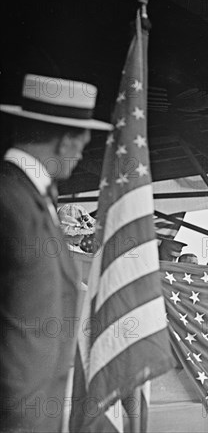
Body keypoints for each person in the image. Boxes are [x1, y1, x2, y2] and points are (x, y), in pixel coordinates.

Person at [0, 74, 112, 431]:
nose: (81, 154)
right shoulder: (8, 200)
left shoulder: (33, 198)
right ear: (66, 141)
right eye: (83, 142)